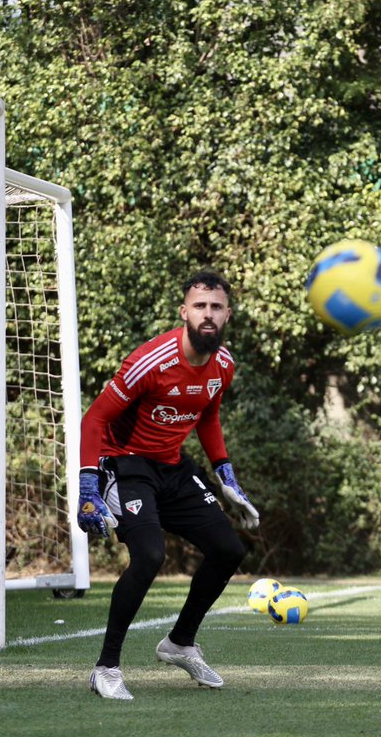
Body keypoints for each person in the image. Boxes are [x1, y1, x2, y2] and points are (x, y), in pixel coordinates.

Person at [77, 269, 259, 700]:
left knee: (229, 549)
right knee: (150, 555)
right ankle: (106, 668)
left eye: (216, 307)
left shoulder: (224, 365)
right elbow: (95, 419)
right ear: (184, 312)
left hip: (173, 466)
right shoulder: (151, 361)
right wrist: (88, 486)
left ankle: (179, 642)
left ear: (227, 315)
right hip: (126, 465)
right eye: (200, 306)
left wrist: (225, 473)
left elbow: (208, 416)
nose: (208, 314)